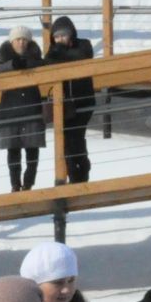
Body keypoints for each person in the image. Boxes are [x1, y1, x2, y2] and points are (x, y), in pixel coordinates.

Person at [0, 25, 46, 192]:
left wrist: (27, 64)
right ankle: (15, 184)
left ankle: (29, 183)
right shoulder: (3, 57)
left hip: (31, 110)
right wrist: (12, 65)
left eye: (24, 40)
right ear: (12, 41)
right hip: (10, 111)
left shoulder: (35, 56)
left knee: (32, 150)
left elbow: (44, 67)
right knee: (13, 150)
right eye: (18, 39)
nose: (21, 43)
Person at [43, 16, 96, 184]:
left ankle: (81, 176)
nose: (60, 40)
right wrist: (57, 53)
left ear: (71, 34)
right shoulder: (53, 50)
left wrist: (61, 54)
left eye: (63, 35)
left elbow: (82, 57)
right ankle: (74, 177)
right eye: (57, 37)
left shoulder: (83, 44)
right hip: (64, 105)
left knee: (75, 139)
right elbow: (46, 64)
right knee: (67, 142)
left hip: (83, 102)